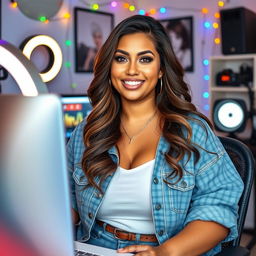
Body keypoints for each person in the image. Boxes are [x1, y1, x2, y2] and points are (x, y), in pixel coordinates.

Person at [67, 15, 244, 256]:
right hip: (94, 247)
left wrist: (164, 252)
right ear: (110, 67)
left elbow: (218, 209)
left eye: (145, 59)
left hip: (169, 250)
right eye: (121, 58)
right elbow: (66, 198)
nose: (131, 70)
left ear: (160, 70)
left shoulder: (192, 132)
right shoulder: (88, 130)